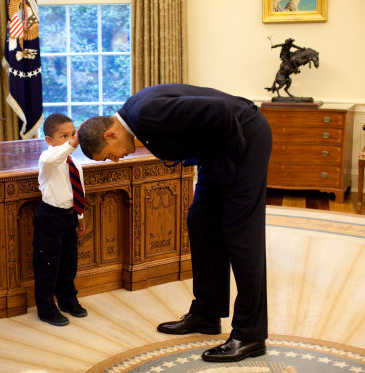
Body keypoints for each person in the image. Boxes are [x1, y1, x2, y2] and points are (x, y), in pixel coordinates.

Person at [78, 83, 272, 362]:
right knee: (201, 222)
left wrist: (233, 161)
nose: (115, 158)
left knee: (242, 235)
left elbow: (221, 110)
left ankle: (250, 335)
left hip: (244, 140)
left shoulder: (146, 113)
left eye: (109, 154)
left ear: (110, 134)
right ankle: (207, 313)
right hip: (220, 149)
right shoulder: (137, 117)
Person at [33, 114, 87, 326]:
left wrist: (80, 215)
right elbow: (52, 158)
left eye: (72, 135)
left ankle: (68, 300)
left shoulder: (74, 163)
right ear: (49, 140)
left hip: (69, 216)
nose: (70, 139)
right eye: (63, 136)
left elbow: (78, 188)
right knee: (48, 265)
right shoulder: (47, 160)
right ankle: (46, 308)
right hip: (50, 217)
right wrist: (73, 144)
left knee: (68, 263)